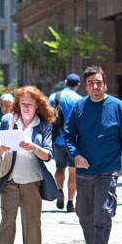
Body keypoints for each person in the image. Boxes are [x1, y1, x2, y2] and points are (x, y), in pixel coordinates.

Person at [64, 65, 122, 244]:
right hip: (84, 172)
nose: (95, 86)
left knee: (102, 214)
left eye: (99, 82)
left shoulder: (116, 107)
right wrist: (76, 155)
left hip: (108, 170)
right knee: (84, 215)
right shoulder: (79, 107)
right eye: (90, 83)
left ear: (105, 84)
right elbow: (69, 136)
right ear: (85, 86)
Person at [0, 86, 58, 244]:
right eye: (22, 104)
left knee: (32, 225)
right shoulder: (8, 121)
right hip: (10, 179)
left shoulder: (43, 124)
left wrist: (34, 147)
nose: (26, 107)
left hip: (32, 180)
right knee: (6, 223)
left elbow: (47, 155)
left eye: (29, 104)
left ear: (37, 105)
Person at [48, 74, 82, 212]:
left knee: (59, 168)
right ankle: (70, 202)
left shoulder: (54, 97)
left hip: (58, 139)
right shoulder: (80, 100)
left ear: (66, 82)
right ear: (78, 85)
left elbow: (47, 116)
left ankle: (59, 190)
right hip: (75, 141)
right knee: (73, 172)